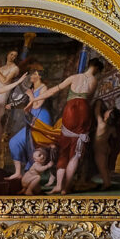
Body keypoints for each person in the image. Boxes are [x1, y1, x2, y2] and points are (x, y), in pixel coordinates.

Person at [32, 57, 104, 194]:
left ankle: (59, 185)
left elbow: (53, 90)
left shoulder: (74, 77)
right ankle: (66, 188)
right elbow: (88, 100)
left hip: (70, 109)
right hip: (84, 110)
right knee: (76, 153)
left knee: (64, 149)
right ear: (98, 70)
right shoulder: (94, 81)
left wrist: (35, 99)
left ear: (88, 65)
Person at [6, 67, 53, 182]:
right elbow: (26, 104)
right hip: (32, 119)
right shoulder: (32, 88)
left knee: (37, 147)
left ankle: (46, 175)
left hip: (41, 119)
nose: (31, 76)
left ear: (39, 76)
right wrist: (13, 105)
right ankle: (18, 172)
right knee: (15, 142)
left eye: (34, 74)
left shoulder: (44, 88)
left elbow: (37, 105)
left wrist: (31, 96)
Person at [93, 106, 120, 190]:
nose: (106, 111)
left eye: (108, 111)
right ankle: (108, 182)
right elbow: (114, 135)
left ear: (107, 116)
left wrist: (98, 103)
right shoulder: (112, 127)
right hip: (106, 147)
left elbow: (97, 113)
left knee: (102, 168)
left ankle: (107, 184)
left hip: (100, 149)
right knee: (105, 167)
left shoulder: (101, 124)